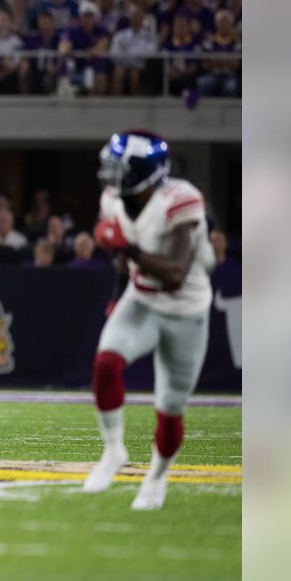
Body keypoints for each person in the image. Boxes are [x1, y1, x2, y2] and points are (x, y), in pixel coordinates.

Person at [83, 130, 215, 511]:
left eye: (117, 168)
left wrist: (127, 248)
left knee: (170, 407)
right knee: (106, 363)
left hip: (185, 311)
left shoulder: (180, 200)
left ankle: (156, 477)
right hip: (140, 299)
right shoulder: (113, 199)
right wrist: (115, 292)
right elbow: (121, 247)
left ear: (141, 172)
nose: (109, 176)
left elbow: (174, 273)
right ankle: (113, 451)